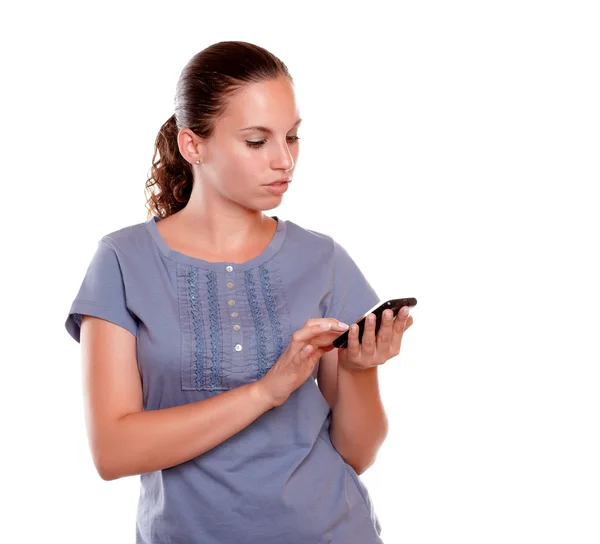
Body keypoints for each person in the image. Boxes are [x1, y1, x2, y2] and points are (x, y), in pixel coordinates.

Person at [64, 40, 414, 544]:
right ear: (193, 146)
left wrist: (360, 371)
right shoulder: (123, 261)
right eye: (256, 141)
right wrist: (264, 393)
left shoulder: (323, 259)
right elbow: (113, 451)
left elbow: (357, 453)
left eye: (292, 137)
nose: (284, 160)